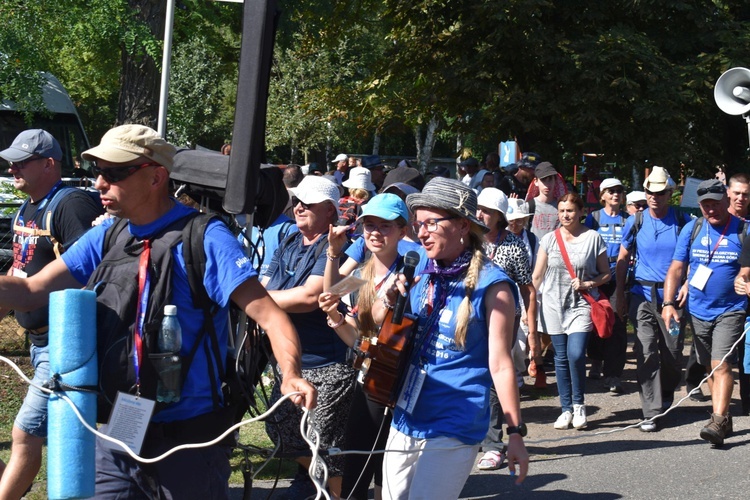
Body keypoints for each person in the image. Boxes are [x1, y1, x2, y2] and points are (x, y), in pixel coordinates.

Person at [0, 124, 316, 498]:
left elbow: (269, 315)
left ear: (156, 177)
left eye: (114, 173)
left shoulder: (205, 237)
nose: (101, 183)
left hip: (190, 440)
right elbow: (33, 289)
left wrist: (291, 374)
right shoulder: (110, 234)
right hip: (121, 426)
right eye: (98, 172)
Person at [375, 177, 529, 499]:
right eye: (418, 224)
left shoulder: (494, 286)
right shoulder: (417, 267)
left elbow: (501, 365)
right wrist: (389, 298)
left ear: (462, 225)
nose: (421, 232)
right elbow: (374, 324)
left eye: (431, 223)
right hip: (406, 412)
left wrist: (514, 433)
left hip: (455, 420)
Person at [0, 129, 103, 498]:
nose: (12, 169)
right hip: (37, 341)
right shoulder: (27, 207)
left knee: (25, 432)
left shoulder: (71, 204)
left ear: (49, 164)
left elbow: (94, 274)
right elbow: (20, 269)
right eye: (11, 162)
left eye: (21, 162)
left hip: (66, 345)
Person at [262, 174, 356, 498]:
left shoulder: (335, 248)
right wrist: (260, 297)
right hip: (291, 363)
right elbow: (264, 285)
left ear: (330, 210)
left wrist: (255, 302)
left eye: (308, 203)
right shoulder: (289, 242)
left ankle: (330, 492)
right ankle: (311, 479)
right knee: (279, 430)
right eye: (297, 201)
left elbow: (310, 298)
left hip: (328, 364)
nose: (298, 207)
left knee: (324, 444)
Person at [318, 193, 411, 500]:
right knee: (357, 460)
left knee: (391, 467)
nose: (374, 232)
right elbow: (356, 337)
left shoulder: (415, 274)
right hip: (367, 379)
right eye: (369, 225)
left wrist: (385, 303)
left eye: (384, 226)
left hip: (403, 381)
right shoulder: (360, 274)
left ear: (402, 230)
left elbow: (378, 329)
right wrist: (334, 315)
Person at [663, 179, 746, 446]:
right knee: (710, 368)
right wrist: (668, 304)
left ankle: (717, 420)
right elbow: (676, 268)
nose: (712, 210)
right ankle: (723, 417)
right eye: (706, 205)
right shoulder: (693, 228)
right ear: (700, 206)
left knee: (721, 365)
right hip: (698, 310)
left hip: (730, 310)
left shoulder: (743, 230)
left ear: (727, 202)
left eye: (716, 204)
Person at [615, 166, 691, 432]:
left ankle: (667, 392)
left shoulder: (683, 222)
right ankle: (651, 411)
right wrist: (620, 294)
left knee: (672, 354)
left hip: (674, 300)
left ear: (670, 193)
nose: (654, 197)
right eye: (650, 192)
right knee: (645, 351)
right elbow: (623, 259)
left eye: (660, 192)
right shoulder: (635, 221)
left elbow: (693, 259)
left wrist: (688, 284)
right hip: (642, 296)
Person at [532, 192, 610, 430]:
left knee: (576, 354)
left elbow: (606, 273)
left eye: (571, 211)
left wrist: (589, 284)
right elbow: (537, 275)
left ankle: (579, 405)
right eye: (562, 211)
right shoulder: (549, 239)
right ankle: (565, 409)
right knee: (561, 358)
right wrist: (529, 305)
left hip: (581, 306)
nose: (566, 215)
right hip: (553, 306)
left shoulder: (593, 238)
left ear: (581, 212)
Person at [475, 188, 538, 470]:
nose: (479, 214)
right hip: (470, 318)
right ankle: (473, 434)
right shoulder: (468, 240)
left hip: (504, 320)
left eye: (486, 211)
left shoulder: (514, 245)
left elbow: (528, 289)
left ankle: (492, 444)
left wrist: (532, 329)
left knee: (493, 377)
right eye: (477, 208)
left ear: (500, 217)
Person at [584, 178, 629, 393]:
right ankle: (596, 360)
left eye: (619, 191)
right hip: (597, 276)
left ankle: (613, 375)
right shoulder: (593, 219)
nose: (615, 194)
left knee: (618, 325)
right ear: (602, 195)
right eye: (611, 191)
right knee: (596, 321)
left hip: (620, 276)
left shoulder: (629, 219)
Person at [526, 161, 566, 240]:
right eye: (543, 179)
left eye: (550, 179)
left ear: (555, 181)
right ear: (536, 182)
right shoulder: (528, 206)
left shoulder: (562, 207)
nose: (547, 184)